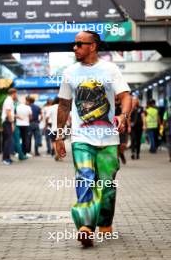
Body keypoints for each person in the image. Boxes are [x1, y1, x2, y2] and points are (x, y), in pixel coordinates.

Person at [56, 30, 132, 247]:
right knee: (85, 177)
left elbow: (126, 96)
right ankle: (86, 226)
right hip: (81, 137)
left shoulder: (110, 69)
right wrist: (59, 135)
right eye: (74, 44)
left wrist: (123, 115)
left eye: (80, 44)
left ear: (93, 46)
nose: (75, 47)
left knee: (107, 184)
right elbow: (63, 105)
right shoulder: (69, 72)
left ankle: (105, 221)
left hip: (108, 138)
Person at [1, 88, 17, 165]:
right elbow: (8, 112)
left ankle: (7, 157)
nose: (16, 95)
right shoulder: (8, 100)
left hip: (7, 121)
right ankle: (5, 159)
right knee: (8, 140)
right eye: (16, 94)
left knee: (7, 140)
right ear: (13, 93)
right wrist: (12, 123)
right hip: (7, 122)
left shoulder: (9, 100)